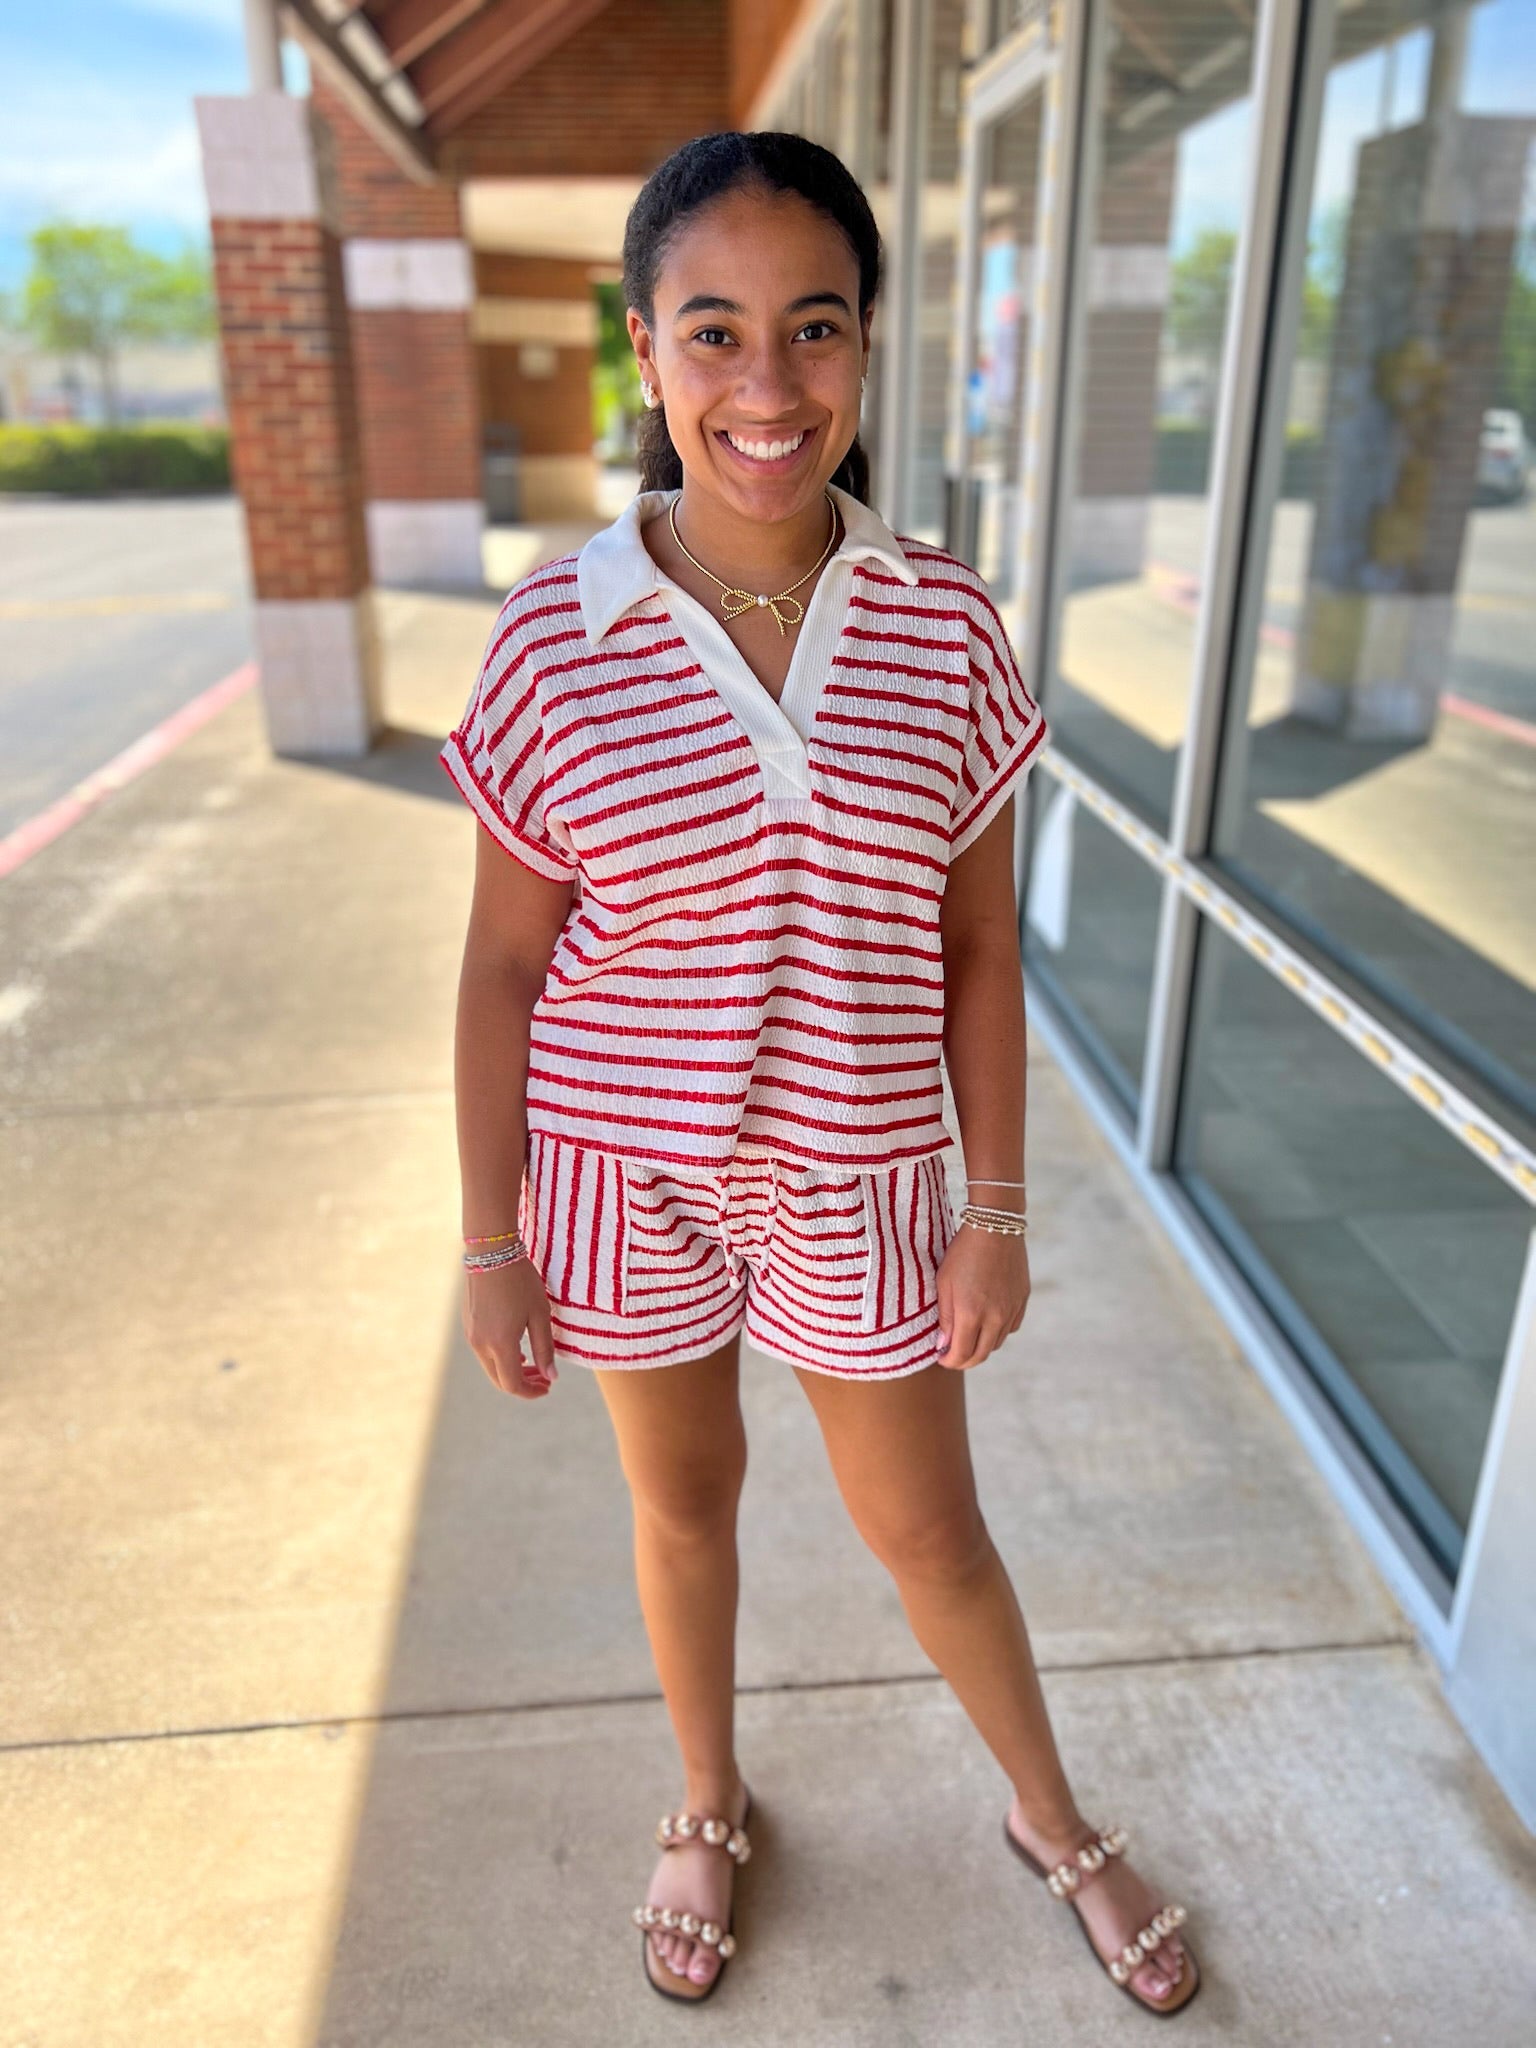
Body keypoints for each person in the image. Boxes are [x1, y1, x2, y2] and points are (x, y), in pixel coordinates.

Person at [440, 130, 1198, 2019]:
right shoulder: (559, 638)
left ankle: (1053, 1817)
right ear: (644, 350)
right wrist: (491, 1235)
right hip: (624, 1175)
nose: (767, 389)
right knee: (683, 1507)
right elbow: (505, 962)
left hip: (863, 1174)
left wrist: (997, 1210)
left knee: (929, 1530)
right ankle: (706, 1799)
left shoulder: (945, 624)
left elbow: (970, 950)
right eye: (715, 333)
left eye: (813, 330)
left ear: (866, 347)